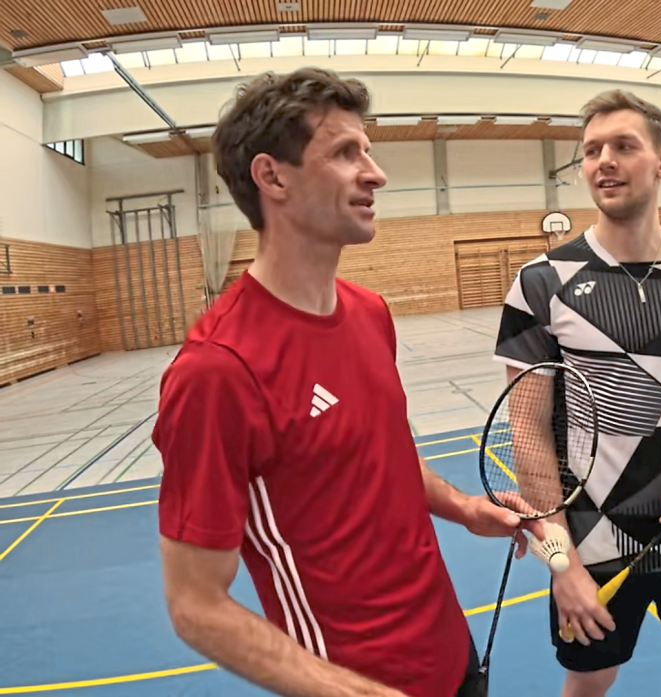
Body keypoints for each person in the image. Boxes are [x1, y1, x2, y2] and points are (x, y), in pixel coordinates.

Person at [151, 67, 539, 697]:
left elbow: (383, 457)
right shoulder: (218, 371)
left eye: (368, 149)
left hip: (451, 652)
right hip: (354, 679)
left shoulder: (369, 313)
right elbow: (195, 604)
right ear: (272, 176)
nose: (376, 173)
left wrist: (463, 508)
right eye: (344, 152)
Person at [492, 89, 661, 697]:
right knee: (590, 681)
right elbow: (528, 434)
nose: (603, 161)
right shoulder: (541, 282)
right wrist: (560, 562)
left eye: (622, 146)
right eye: (591, 151)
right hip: (591, 539)